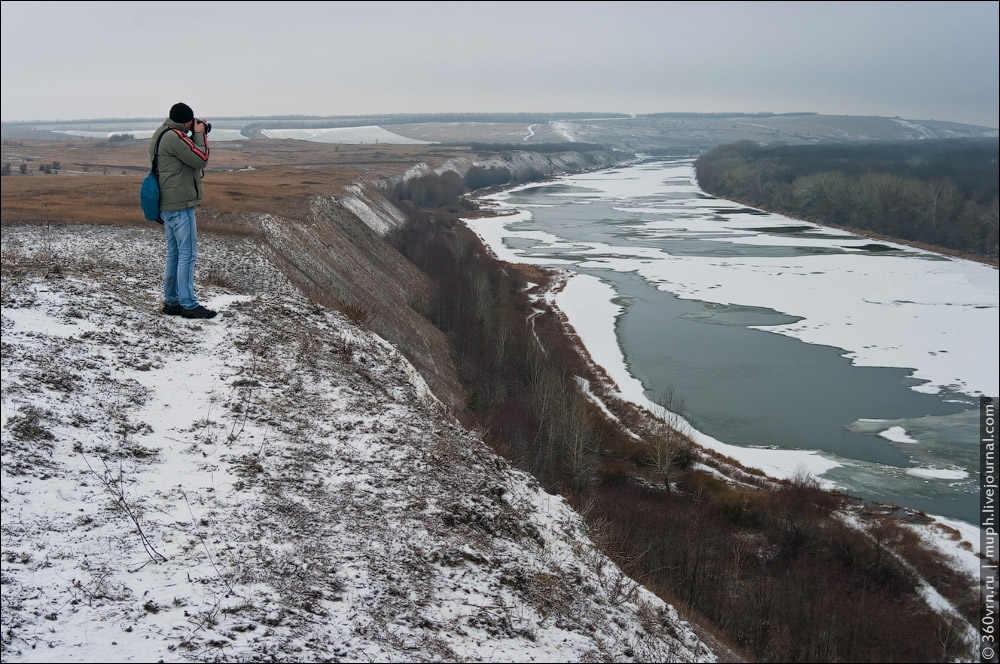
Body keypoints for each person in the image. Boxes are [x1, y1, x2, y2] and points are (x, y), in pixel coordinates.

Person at [150, 102, 216, 319]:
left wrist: (194, 133)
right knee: (187, 254)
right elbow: (201, 159)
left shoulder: (160, 134)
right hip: (180, 204)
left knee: (175, 253)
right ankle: (189, 305)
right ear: (186, 121)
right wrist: (200, 134)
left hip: (167, 204)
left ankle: (172, 302)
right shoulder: (174, 137)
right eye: (192, 122)